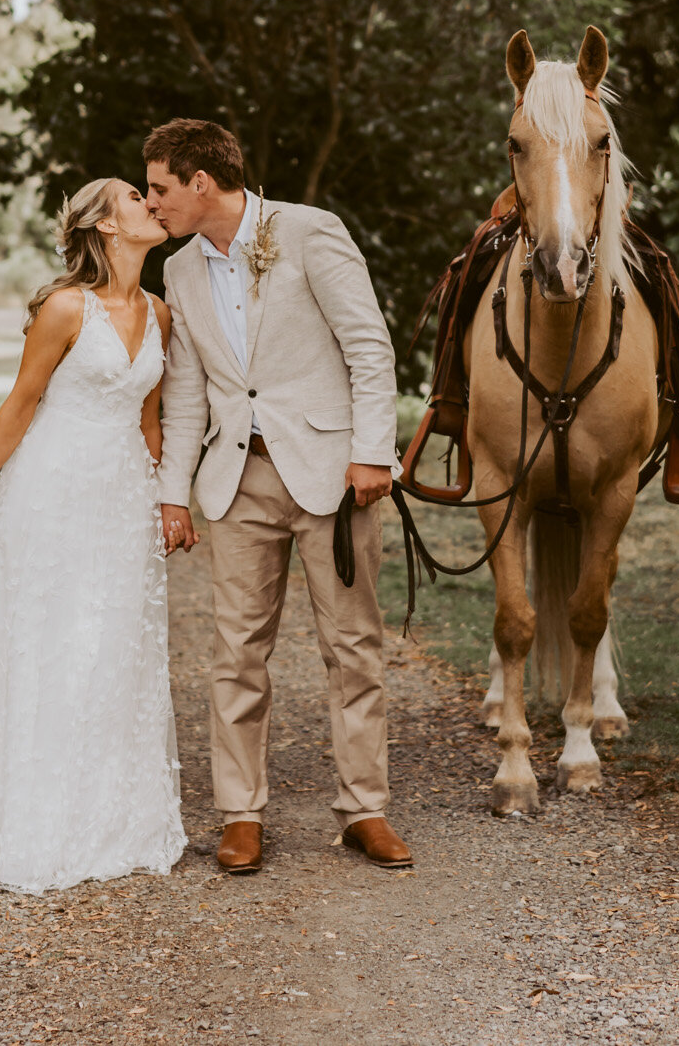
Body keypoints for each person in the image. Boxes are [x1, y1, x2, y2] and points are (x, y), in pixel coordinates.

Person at [144, 119, 411, 875]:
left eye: (161, 187)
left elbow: (369, 346)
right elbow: (189, 392)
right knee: (237, 651)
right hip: (235, 479)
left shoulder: (310, 232)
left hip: (333, 474)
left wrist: (370, 453)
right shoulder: (182, 271)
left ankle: (365, 806)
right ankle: (241, 811)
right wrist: (173, 494)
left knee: (352, 644)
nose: (153, 202)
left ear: (202, 183)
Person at [0, 178, 187, 893]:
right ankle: (31, 826)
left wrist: (168, 500)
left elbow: (150, 420)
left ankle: (107, 821)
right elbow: (21, 403)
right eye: (137, 197)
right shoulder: (65, 308)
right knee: (49, 646)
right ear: (106, 223)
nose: (151, 204)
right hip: (51, 493)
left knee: (112, 650)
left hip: (123, 499)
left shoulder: (159, 311)